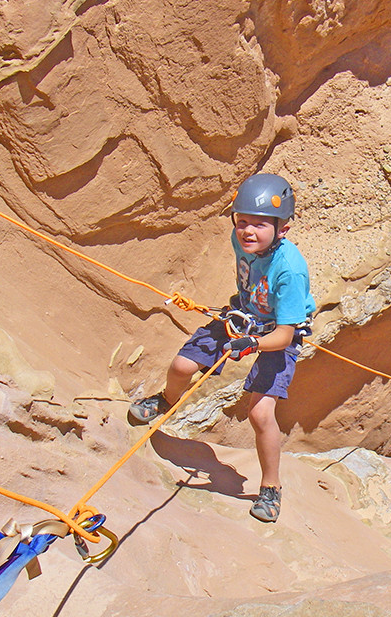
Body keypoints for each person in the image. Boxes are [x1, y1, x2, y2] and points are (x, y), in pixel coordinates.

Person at [128, 173, 315, 523]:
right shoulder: (240, 240)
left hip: (276, 332)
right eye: (242, 221)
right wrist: (243, 329)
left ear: (283, 229)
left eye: (260, 225)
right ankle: (165, 401)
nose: (247, 231)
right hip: (243, 317)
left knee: (260, 414)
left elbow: (286, 336)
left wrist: (253, 343)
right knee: (182, 367)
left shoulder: (290, 271)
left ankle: (271, 487)